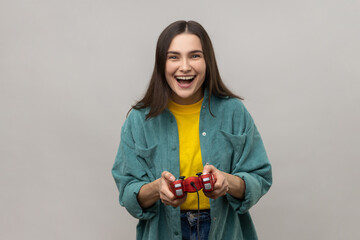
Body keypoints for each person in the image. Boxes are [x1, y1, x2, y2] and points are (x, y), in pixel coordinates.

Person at [112, 20, 272, 240]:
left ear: (208, 61)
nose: (185, 66)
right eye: (173, 57)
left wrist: (227, 182)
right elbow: (128, 193)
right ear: (161, 63)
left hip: (224, 231)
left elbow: (260, 177)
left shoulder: (234, 111)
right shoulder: (139, 120)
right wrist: (158, 188)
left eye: (195, 56)